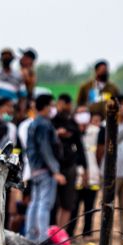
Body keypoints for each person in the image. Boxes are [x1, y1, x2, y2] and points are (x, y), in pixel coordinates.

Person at [96, 95, 123, 241]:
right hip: (110, 174)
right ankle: (105, 239)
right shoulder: (105, 125)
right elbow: (107, 144)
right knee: (108, 208)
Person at [24, 93, 64, 243]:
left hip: (35, 169)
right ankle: (42, 237)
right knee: (45, 204)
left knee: (35, 202)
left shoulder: (33, 124)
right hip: (45, 170)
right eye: (51, 105)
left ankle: (30, 235)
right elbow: (45, 149)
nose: (52, 108)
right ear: (46, 106)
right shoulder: (44, 124)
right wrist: (56, 171)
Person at [52, 94, 85, 232]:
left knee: (68, 203)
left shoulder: (72, 123)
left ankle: (61, 233)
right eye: (68, 104)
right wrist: (56, 134)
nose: (69, 107)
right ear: (60, 103)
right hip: (54, 167)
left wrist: (85, 168)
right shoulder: (51, 122)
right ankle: (51, 234)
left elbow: (80, 146)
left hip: (70, 166)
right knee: (53, 203)